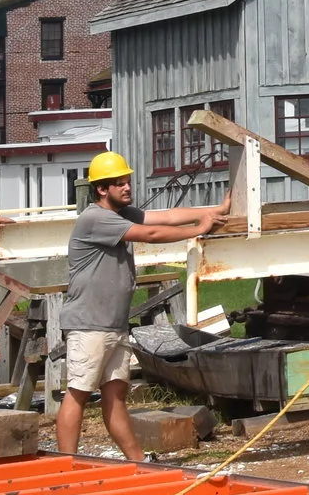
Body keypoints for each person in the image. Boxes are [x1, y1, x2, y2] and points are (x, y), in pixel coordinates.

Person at [56, 151, 230, 460]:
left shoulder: (121, 214)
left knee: (116, 396)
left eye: (127, 182)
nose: (127, 187)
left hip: (113, 324)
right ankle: (65, 464)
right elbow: (150, 234)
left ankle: (136, 462)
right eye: (119, 184)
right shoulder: (95, 218)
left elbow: (166, 217)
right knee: (79, 393)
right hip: (89, 324)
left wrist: (215, 210)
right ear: (101, 189)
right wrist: (198, 230)